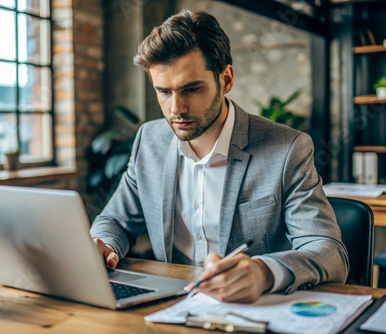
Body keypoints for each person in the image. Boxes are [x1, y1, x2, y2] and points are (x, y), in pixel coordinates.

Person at [91, 9, 348, 303]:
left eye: (191, 88)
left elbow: (329, 250)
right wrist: (102, 243)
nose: (176, 108)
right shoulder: (150, 140)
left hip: (250, 309)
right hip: (168, 306)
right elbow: (116, 219)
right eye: (163, 91)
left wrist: (265, 272)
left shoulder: (287, 149)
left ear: (225, 79)